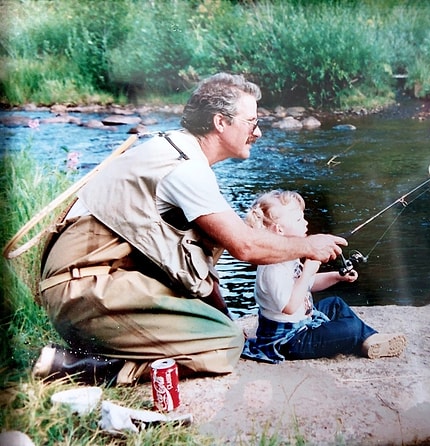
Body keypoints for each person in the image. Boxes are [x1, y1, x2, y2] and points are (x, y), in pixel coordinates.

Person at [33, 73, 347, 385]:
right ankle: (80, 366)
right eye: (251, 122)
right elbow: (246, 247)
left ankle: (99, 353)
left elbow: (199, 267)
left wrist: (225, 319)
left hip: (88, 288)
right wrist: (309, 247)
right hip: (82, 296)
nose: (259, 132)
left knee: (225, 330)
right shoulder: (186, 169)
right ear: (220, 122)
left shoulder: (175, 150)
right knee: (224, 345)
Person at [242, 190, 407, 364]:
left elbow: (307, 284)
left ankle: (370, 339)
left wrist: (337, 276)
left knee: (335, 303)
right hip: (289, 341)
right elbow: (289, 307)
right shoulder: (272, 268)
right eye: (299, 219)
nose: (306, 222)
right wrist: (307, 271)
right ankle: (364, 339)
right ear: (279, 230)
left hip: (303, 323)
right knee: (349, 328)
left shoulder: (287, 256)